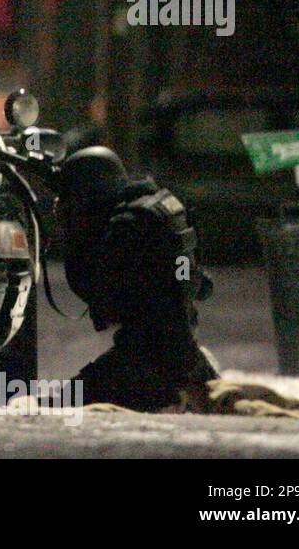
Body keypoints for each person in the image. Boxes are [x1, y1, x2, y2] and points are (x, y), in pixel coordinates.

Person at [57, 146, 220, 412]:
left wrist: (76, 237)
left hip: (148, 363)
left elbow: (105, 304)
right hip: (184, 354)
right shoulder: (156, 212)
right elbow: (196, 283)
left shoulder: (127, 228)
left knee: (59, 407)